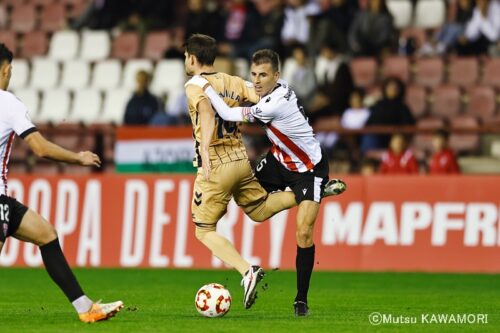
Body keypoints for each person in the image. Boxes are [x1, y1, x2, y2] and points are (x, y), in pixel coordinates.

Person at [190, 48, 345, 316]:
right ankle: (315, 194)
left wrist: (202, 83)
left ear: (277, 75)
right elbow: (249, 91)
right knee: (256, 210)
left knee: (303, 233)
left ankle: (301, 300)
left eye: (263, 75)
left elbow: (227, 115)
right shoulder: (277, 89)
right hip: (278, 160)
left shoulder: (273, 104)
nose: (258, 80)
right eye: (254, 75)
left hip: (309, 168)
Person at [0, 44, 123, 323]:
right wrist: (78, 158)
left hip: (3, 200)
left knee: (46, 234)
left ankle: (85, 307)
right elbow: (40, 148)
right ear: (6, 69)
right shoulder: (7, 102)